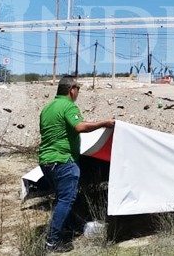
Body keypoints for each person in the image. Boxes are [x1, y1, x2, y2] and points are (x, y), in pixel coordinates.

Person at [39, 76, 115, 252]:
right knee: (67, 199)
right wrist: (104, 123)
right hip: (63, 160)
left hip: (46, 161)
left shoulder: (47, 108)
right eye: (78, 89)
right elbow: (79, 126)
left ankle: (67, 228)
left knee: (61, 199)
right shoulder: (68, 106)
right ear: (71, 89)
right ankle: (53, 241)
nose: (78, 93)